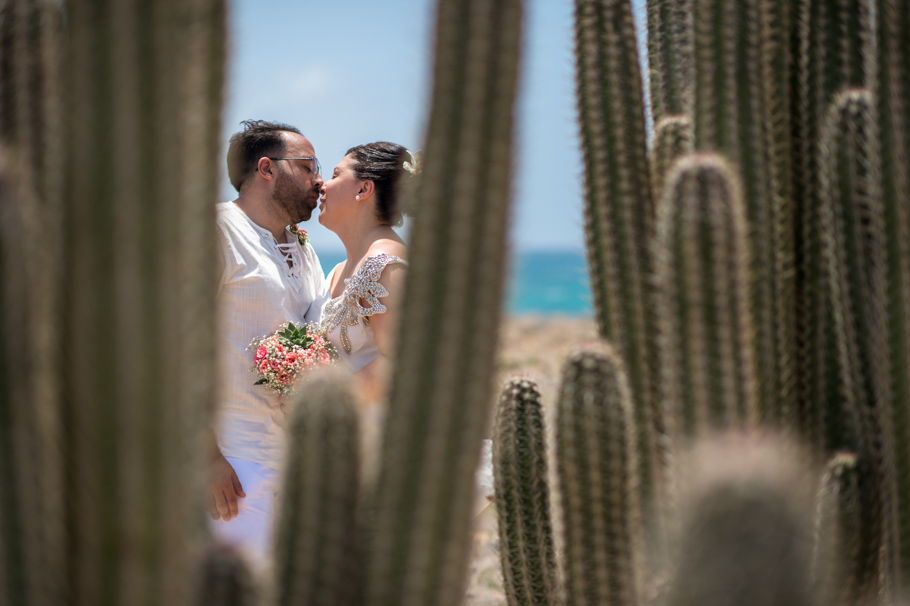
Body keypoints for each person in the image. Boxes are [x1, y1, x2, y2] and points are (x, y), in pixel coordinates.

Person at [209, 120, 329, 567]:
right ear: (266, 169)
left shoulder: (302, 245)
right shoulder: (218, 230)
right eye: (309, 165)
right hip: (234, 463)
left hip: (294, 459)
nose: (320, 179)